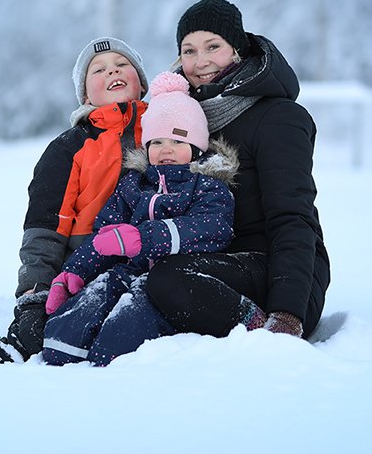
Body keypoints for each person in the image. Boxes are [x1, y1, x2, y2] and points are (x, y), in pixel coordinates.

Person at [0, 37, 150, 366]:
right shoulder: (68, 148)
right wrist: (35, 296)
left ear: (142, 83)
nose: (112, 71)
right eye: (99, 70)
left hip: (148, 264)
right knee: (44, 345)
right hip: (82, 272)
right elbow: (45, 228)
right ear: (86, 95)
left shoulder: (167, 133)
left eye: (122, 65)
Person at [145, 0, 330, 339]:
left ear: (237, 49)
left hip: (279, 270)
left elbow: (293, 218)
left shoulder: (279, 118)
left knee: (167, 279)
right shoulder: (182, 117)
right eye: (189, 50)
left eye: (213, 46)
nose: (200, 62)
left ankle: (256, 330)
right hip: (211, 263)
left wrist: (287, 313)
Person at [42, 71, 240, 366]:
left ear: (197, 147)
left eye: (177, 140)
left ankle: (112, 371)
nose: (166, 150)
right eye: (156, 142)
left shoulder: (208, 186)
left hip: (172, 283)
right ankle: (63, 355)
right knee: (65, 333)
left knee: (117, 341)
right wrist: (75, 272)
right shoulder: (133, 185)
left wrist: (145, 238)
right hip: (128, 272)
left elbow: (213, 228)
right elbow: (104, 237)